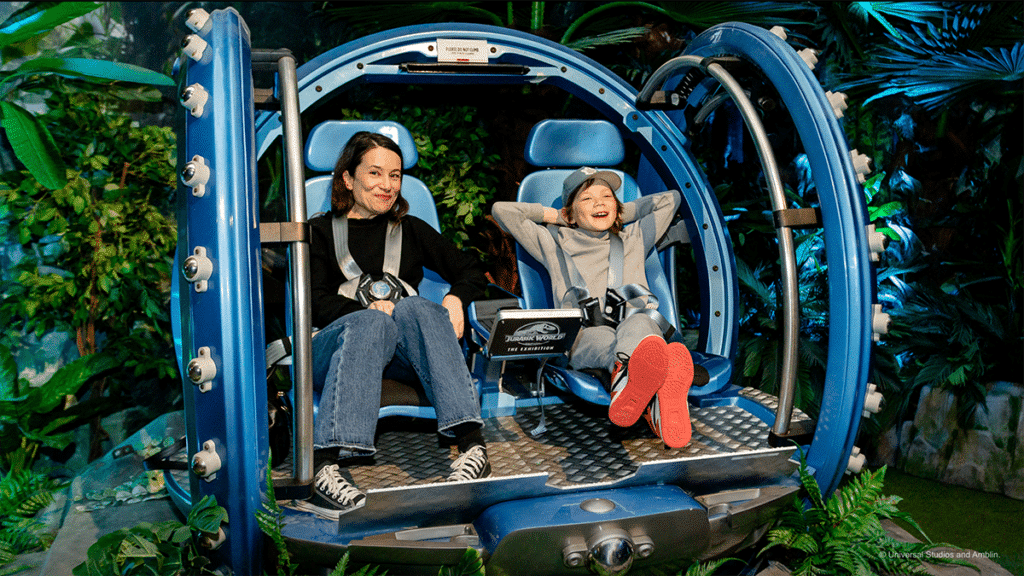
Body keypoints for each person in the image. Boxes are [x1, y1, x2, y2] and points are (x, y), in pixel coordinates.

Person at [298, 131, 491, 520]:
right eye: (375, 173)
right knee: (371, 323)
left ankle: (473, 448)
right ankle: (324, 468)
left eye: (396, 175)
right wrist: (369, 313)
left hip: (399, 356)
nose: (387, 185)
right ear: (347, 179)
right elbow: (313, 302)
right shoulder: (317, 233)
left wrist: (455, 299)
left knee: (420, 308)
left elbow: (471, 270)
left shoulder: (411, 229)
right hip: (334, 350)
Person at [491, 167, 694, 448]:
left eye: (607, 196)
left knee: (642, 325)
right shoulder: (552, 242)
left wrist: (624, 212)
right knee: (602, 337)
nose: (599, 203)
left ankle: (635, 386)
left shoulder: (634, 237)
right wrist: (556, 216)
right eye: (586, 199)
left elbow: (670, 199)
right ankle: (641, 388)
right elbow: (502, 211)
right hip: (586, 334)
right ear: (570, 213)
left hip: (636, 327)